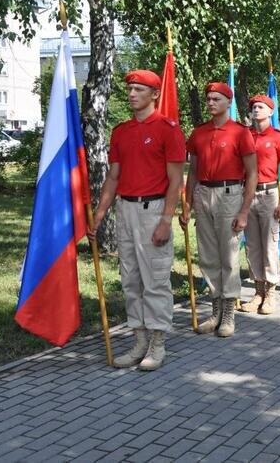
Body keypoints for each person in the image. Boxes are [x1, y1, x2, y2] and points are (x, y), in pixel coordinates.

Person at [87, 70, 185, 371]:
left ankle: (157, 343)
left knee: (154, 280)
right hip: (125, 211)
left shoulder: (169, 130)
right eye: (129, 88)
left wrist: (166, 220)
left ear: (154, 94)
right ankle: (139, 340)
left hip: (154, 210)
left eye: (138, 89)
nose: (131, 94)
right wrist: (100, 215)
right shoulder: (121, 131)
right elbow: (113, 177)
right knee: (130, 280)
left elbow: (175, 180)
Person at [180, 83, 257, 337]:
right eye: (209, 99)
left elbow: (253, 174)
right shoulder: (199, 133)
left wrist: (244, 211)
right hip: (203, 193)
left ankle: (228, 314)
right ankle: (214, 311)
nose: (211, 102)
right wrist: (187, 204)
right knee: (209, 256)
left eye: (216, 99)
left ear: (228, 102)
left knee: (229, 256)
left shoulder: (240, 132)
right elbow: (192, 171)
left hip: (230, 194)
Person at [239, 94, 280, 315]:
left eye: (261, 107)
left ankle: (270, 292)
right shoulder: (244, 136)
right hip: (246, 195)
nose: (256, 110)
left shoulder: (279, 138)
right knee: (252, 245)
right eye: (253, 107)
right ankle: (258, 290)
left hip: (269, 193)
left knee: (270, 244)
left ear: (271, 112)